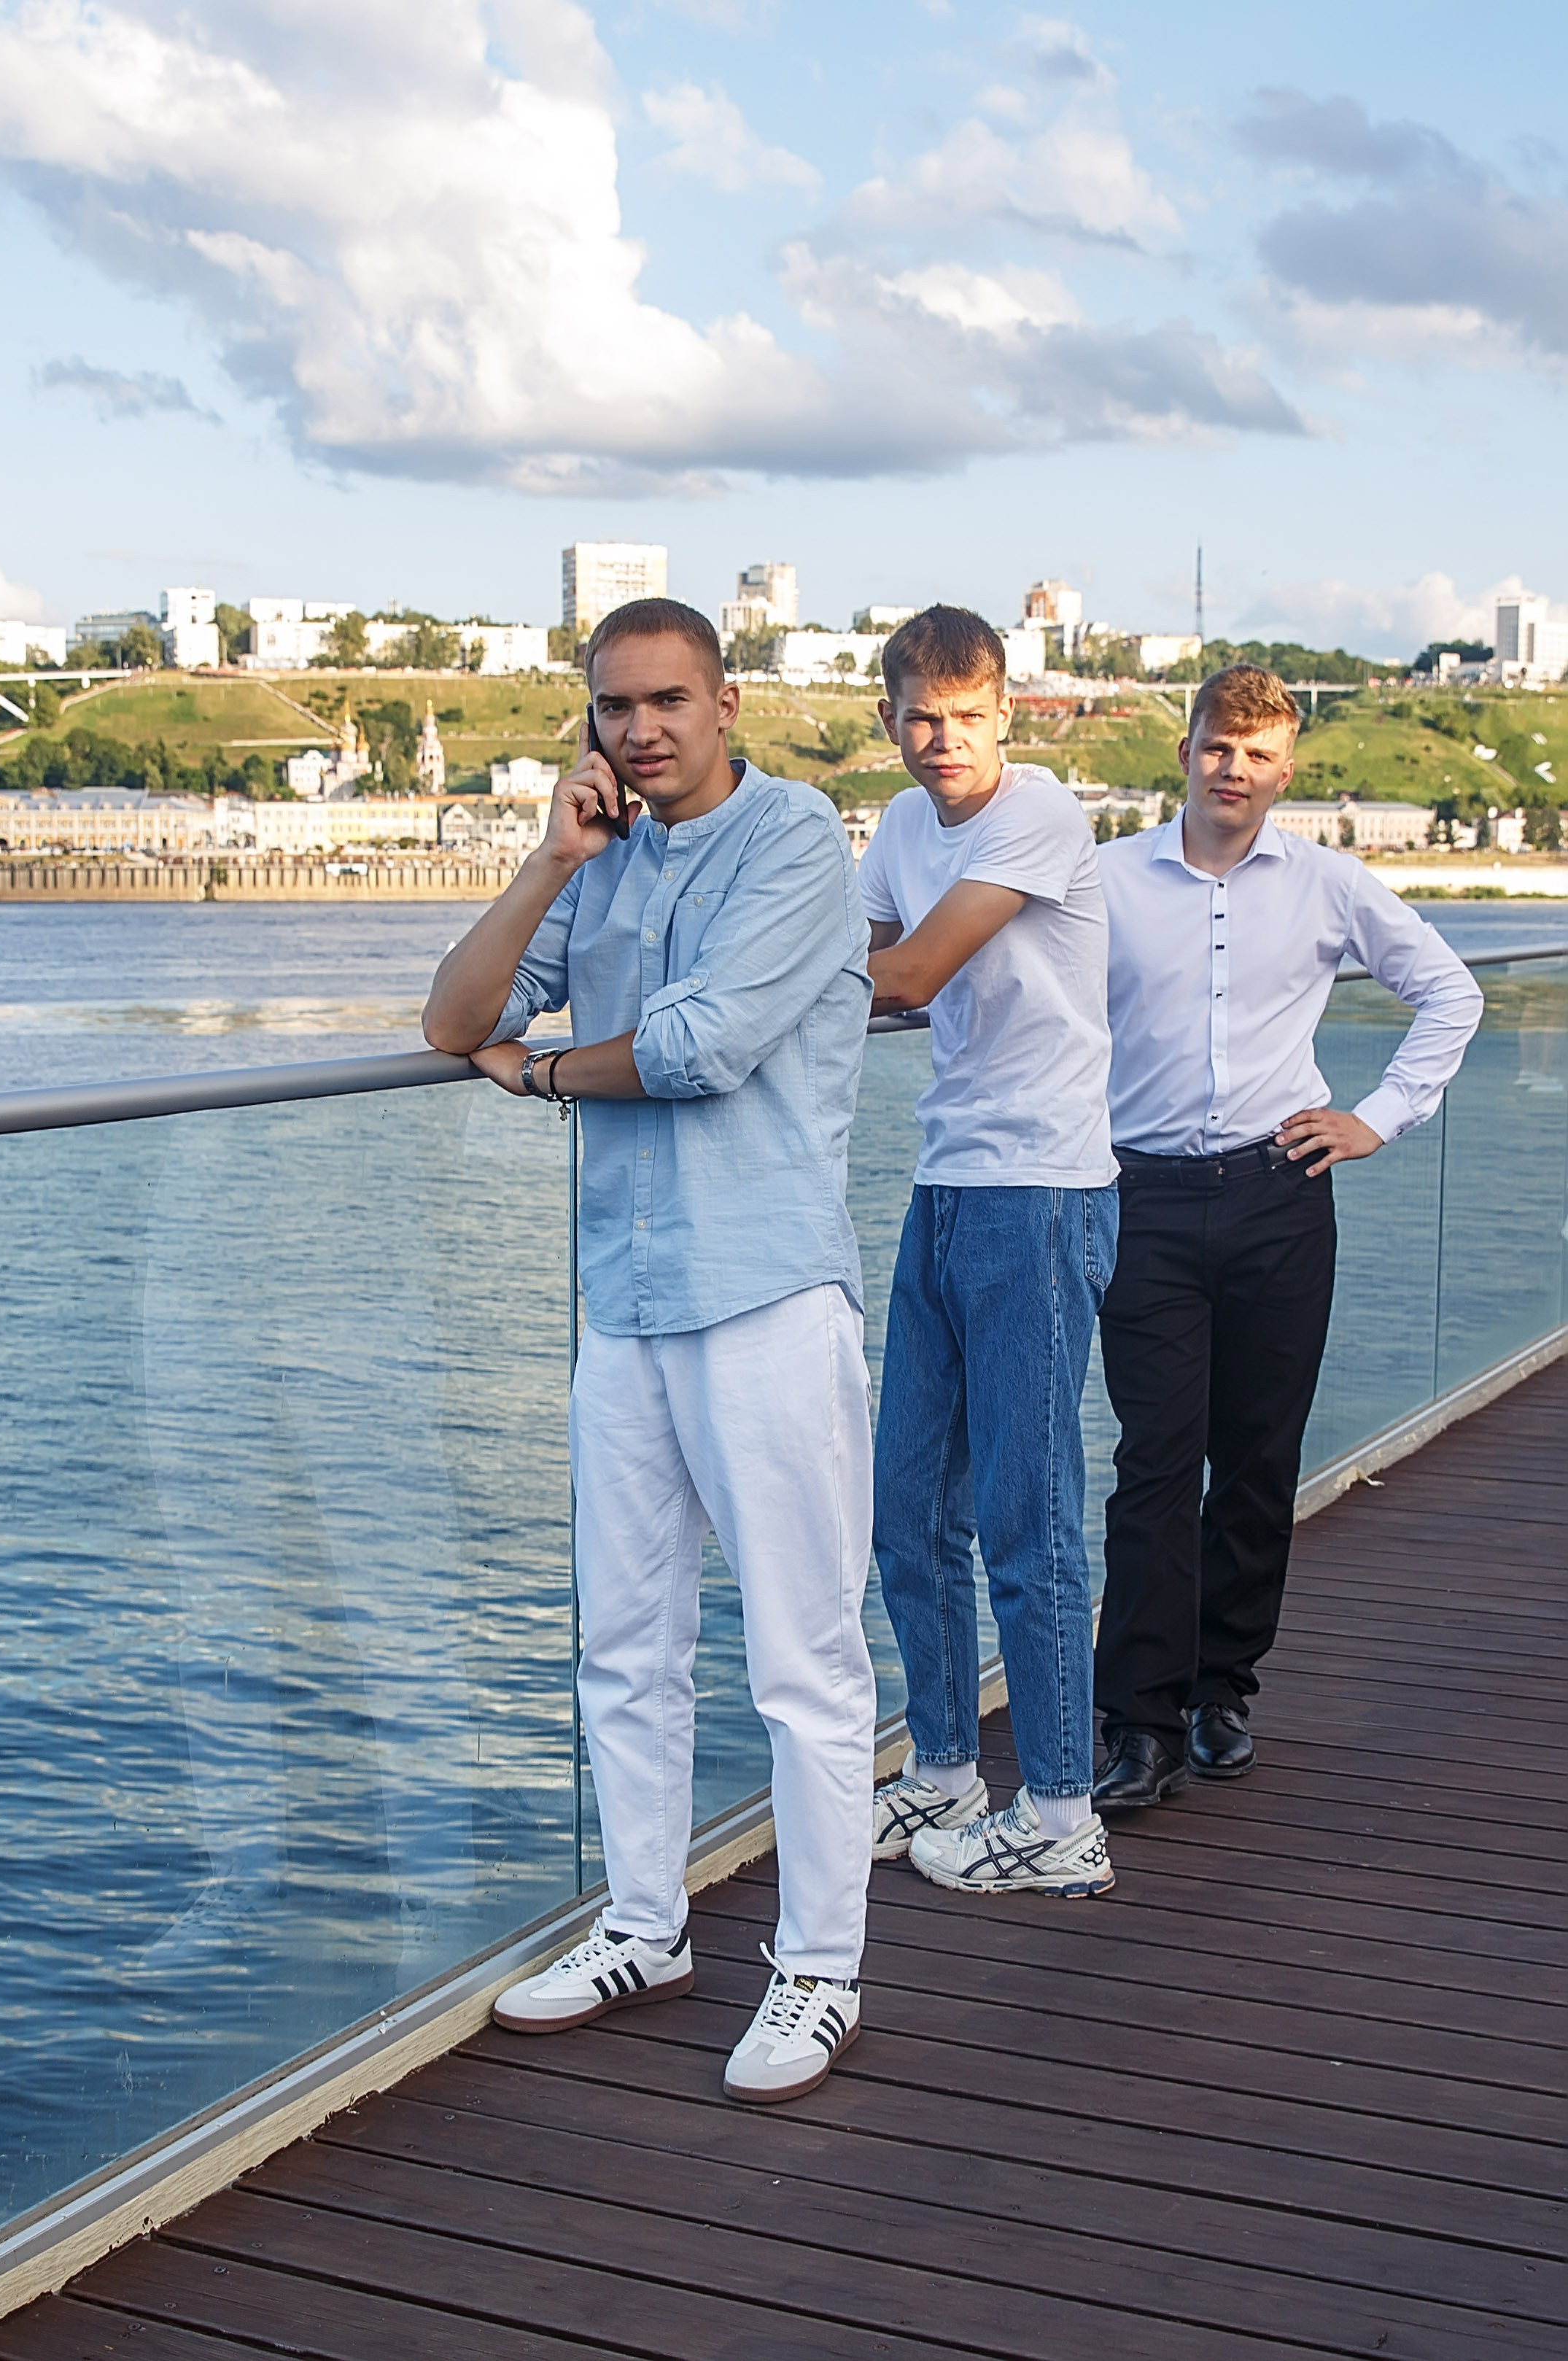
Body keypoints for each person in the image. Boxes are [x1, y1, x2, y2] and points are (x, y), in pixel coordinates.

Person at [422, 597, 877, 2104]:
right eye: (617, 705)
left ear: (728, 698)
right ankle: (642, 1924)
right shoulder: (599, 856)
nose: (645, 728)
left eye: (671, 699)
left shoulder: (800, 841)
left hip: (761, 1296)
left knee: (803, 1661)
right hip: (622, 1302)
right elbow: (447, 1019)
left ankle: (818, 1970)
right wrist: (554, 852)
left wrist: (543, 1070)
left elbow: (698, 1049)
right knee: (625, 1645)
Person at [1092, 664, 1483, 1810]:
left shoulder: (1327, 883)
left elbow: (1448, 992)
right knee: (1153, 1466)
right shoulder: (1106, 878)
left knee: (1256, 1462)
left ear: (1286, 768)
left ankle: (1221, 1692)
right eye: (1219, 747)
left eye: (1259, 755)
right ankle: (1139, 1722)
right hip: (1142, 1199)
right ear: (1185, 750)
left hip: (1278, 1196)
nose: (1235, 770)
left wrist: (1375, 1118)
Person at [861, 606, 1118, 1899]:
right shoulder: (901, 828)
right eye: (918, 716)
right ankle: (946, 1769)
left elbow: (901, 977)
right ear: (888, 717)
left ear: (1004, 716)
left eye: (964, 717)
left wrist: (746, 993)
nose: (939, 739)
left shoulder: (1042, 814)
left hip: (1044, 1191)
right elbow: (859, 953)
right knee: (906, 1505)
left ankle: (1063, 1811)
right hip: (947, 1182)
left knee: (1028, 1514)